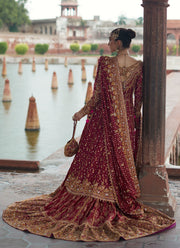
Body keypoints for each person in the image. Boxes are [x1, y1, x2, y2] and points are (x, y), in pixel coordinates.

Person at [2, 28, 175, 241]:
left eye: (111, 40)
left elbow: (98, 97)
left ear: (119, 43)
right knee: (113, 162)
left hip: (101, 124)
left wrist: (81, 113)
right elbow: (137, 103)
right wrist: (133, 127)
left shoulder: (105, 63)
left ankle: (92, 197)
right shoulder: (138, 67)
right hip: (125, 125)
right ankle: (115, 197)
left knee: (94, 161)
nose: (108, 44)